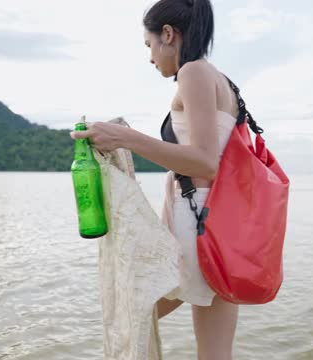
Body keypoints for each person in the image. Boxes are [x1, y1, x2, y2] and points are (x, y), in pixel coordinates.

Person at [70, 0, 240, 358]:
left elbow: (205, 162)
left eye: (149, 45)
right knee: (215, 352)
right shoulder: (222, 81)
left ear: (167, 34)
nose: (150, 57)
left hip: (197, 222)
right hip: (224, 226)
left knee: (130, 313)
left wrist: (124, 139)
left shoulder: (192, 72)